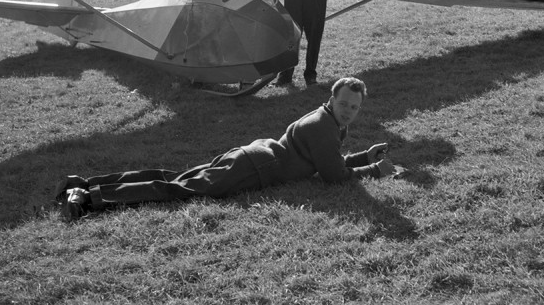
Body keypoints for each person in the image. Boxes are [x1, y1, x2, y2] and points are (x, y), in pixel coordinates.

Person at [56, 77, 398, 222]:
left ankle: (85, 184)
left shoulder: (328, 120)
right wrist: (373, 172)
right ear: (331, 99)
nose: (348, 111)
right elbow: (334, 176)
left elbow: (329, 161)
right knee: (179, 189)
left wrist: (363, 156)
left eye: (354, 107)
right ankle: (88, 199)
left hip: (254, 155)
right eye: (344, 104)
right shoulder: (326, 127)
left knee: (177, 179)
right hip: (255, 167)